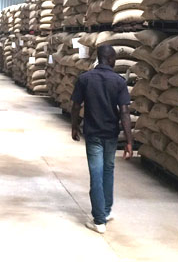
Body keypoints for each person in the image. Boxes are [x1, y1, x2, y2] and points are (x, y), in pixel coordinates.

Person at [71, 44, 133, 234]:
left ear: (99, 58)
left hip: (93, 133)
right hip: (111, 134)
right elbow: (124, 112)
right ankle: (104, 212)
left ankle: (99, 219)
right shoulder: (119, 81)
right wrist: (129, 141)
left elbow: (75, 105)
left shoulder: (85, 79)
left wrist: (74, 125)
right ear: (112, 59)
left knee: (96, 174)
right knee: (108, 171)